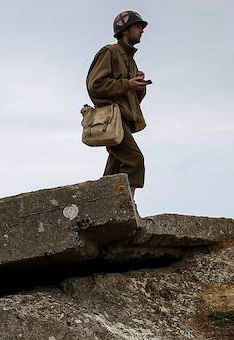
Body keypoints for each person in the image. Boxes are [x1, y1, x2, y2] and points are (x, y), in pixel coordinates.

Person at [86, 10, 149, 199]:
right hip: (113, 121)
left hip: (124, 121)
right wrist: (127, 83)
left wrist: (138, 86)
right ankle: (125, 206)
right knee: (135, 160)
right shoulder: (110, 52)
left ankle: (100, 205)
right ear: (125, 30)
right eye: (138, 26)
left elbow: (132, 100)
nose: (142, 30)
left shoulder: (130, 61)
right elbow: (95, 85)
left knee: (114, 169)